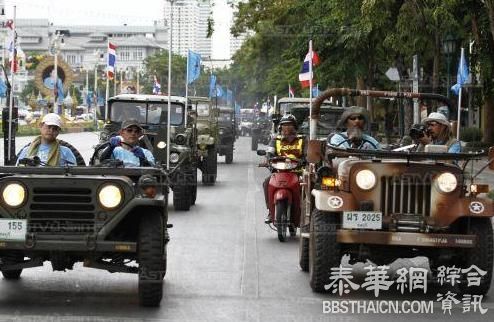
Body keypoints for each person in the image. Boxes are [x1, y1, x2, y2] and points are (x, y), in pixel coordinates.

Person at [263, 114, 305, 223]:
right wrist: (267, 159)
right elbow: (270, 152)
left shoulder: (302, 139)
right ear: (280, 127)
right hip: (279, 172)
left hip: (298, 172)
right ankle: (270, 211)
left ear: (295, 127)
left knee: (307, 187)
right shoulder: (275, 139)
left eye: (289, 125)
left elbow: (307, 154)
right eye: (284, 125)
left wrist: (305, 160)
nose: (286, 128)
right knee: (266, 182)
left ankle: (304, 212)